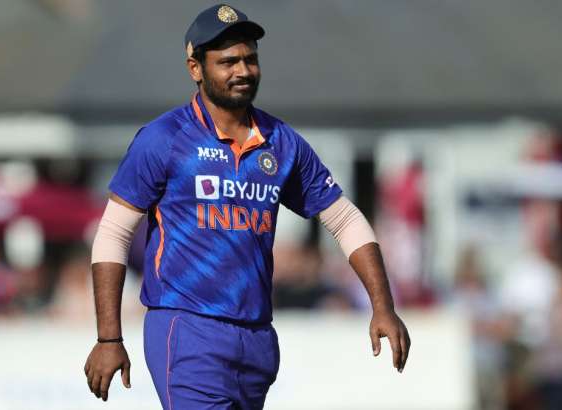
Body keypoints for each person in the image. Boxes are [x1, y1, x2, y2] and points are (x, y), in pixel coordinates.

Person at [83, 4, 411, 409]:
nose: (242, 70)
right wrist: (109, 337)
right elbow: (114, 233)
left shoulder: (282, 142)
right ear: (195, 68)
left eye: (249, 59)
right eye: (227, 62)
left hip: (256, 338)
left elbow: (344, 219)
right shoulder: (164, 138)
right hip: (187, 328)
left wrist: (383, 306)